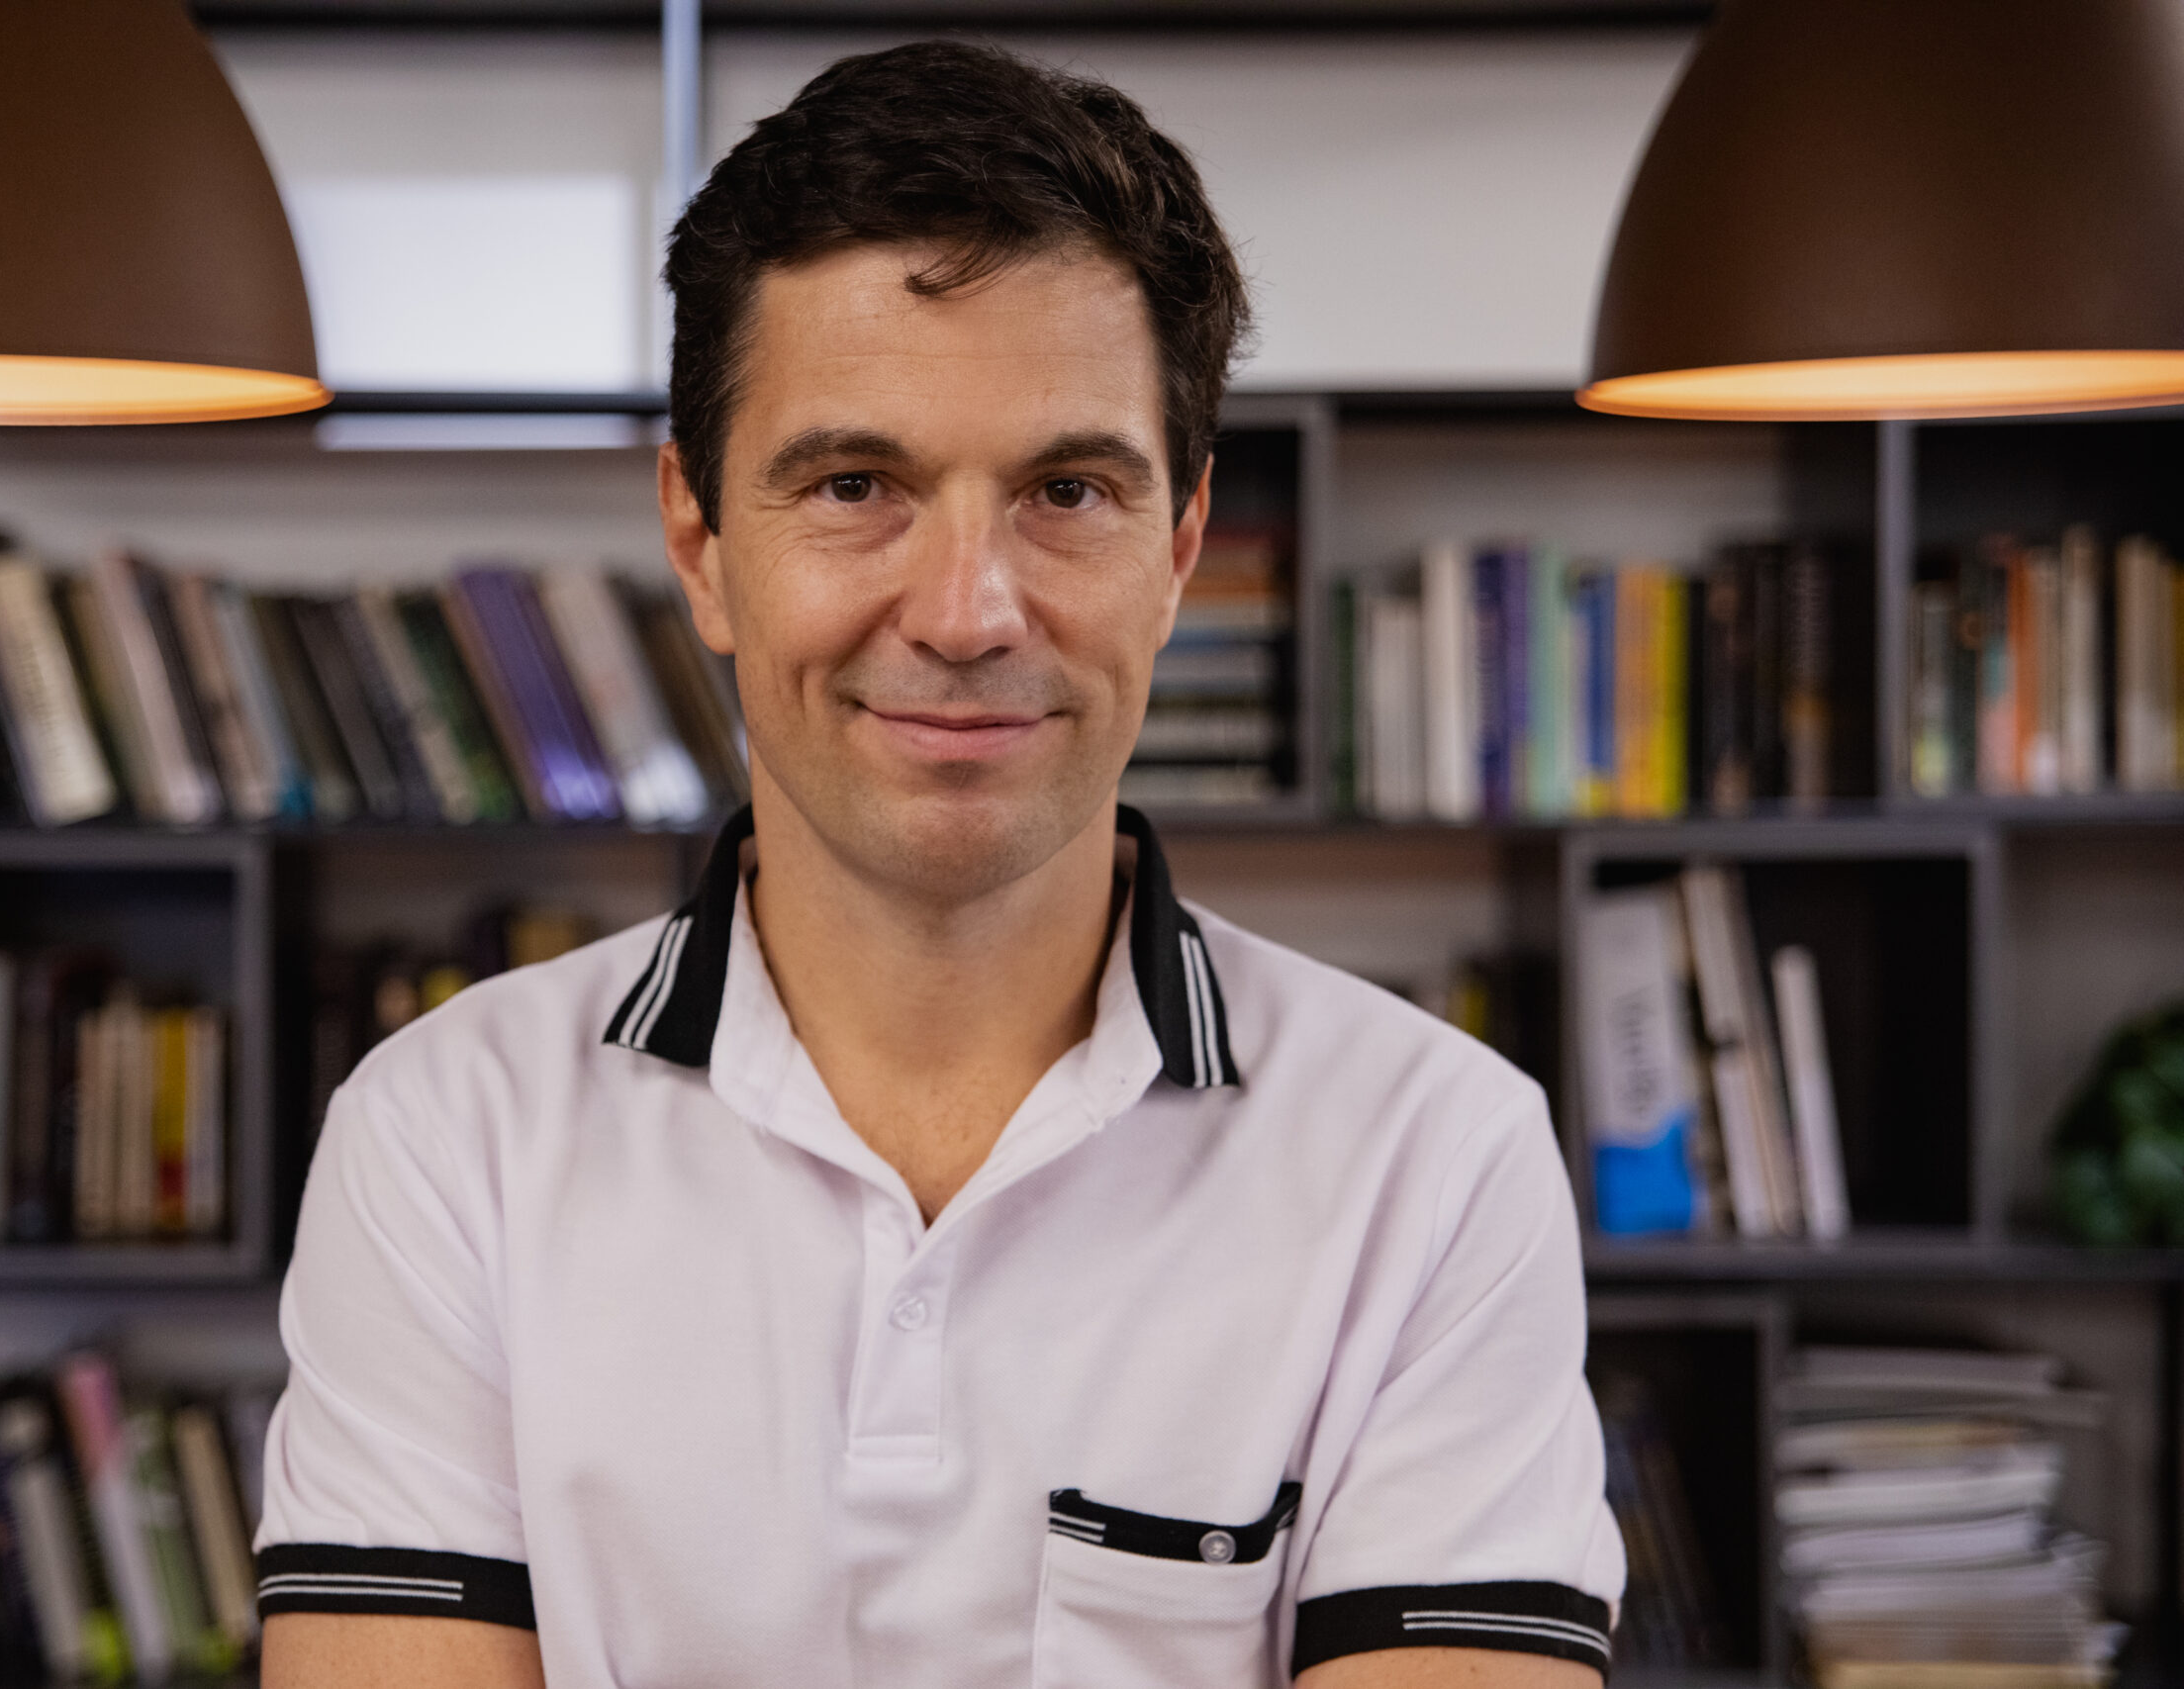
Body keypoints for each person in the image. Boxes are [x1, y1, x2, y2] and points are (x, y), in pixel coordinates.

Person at [256, 40, 1622, 1689]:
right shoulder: (441, 1142)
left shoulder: (1437, 1159)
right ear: (700, 541)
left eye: (1066, 490)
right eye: (855, 486)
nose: (968, 612)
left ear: (1179, 546)